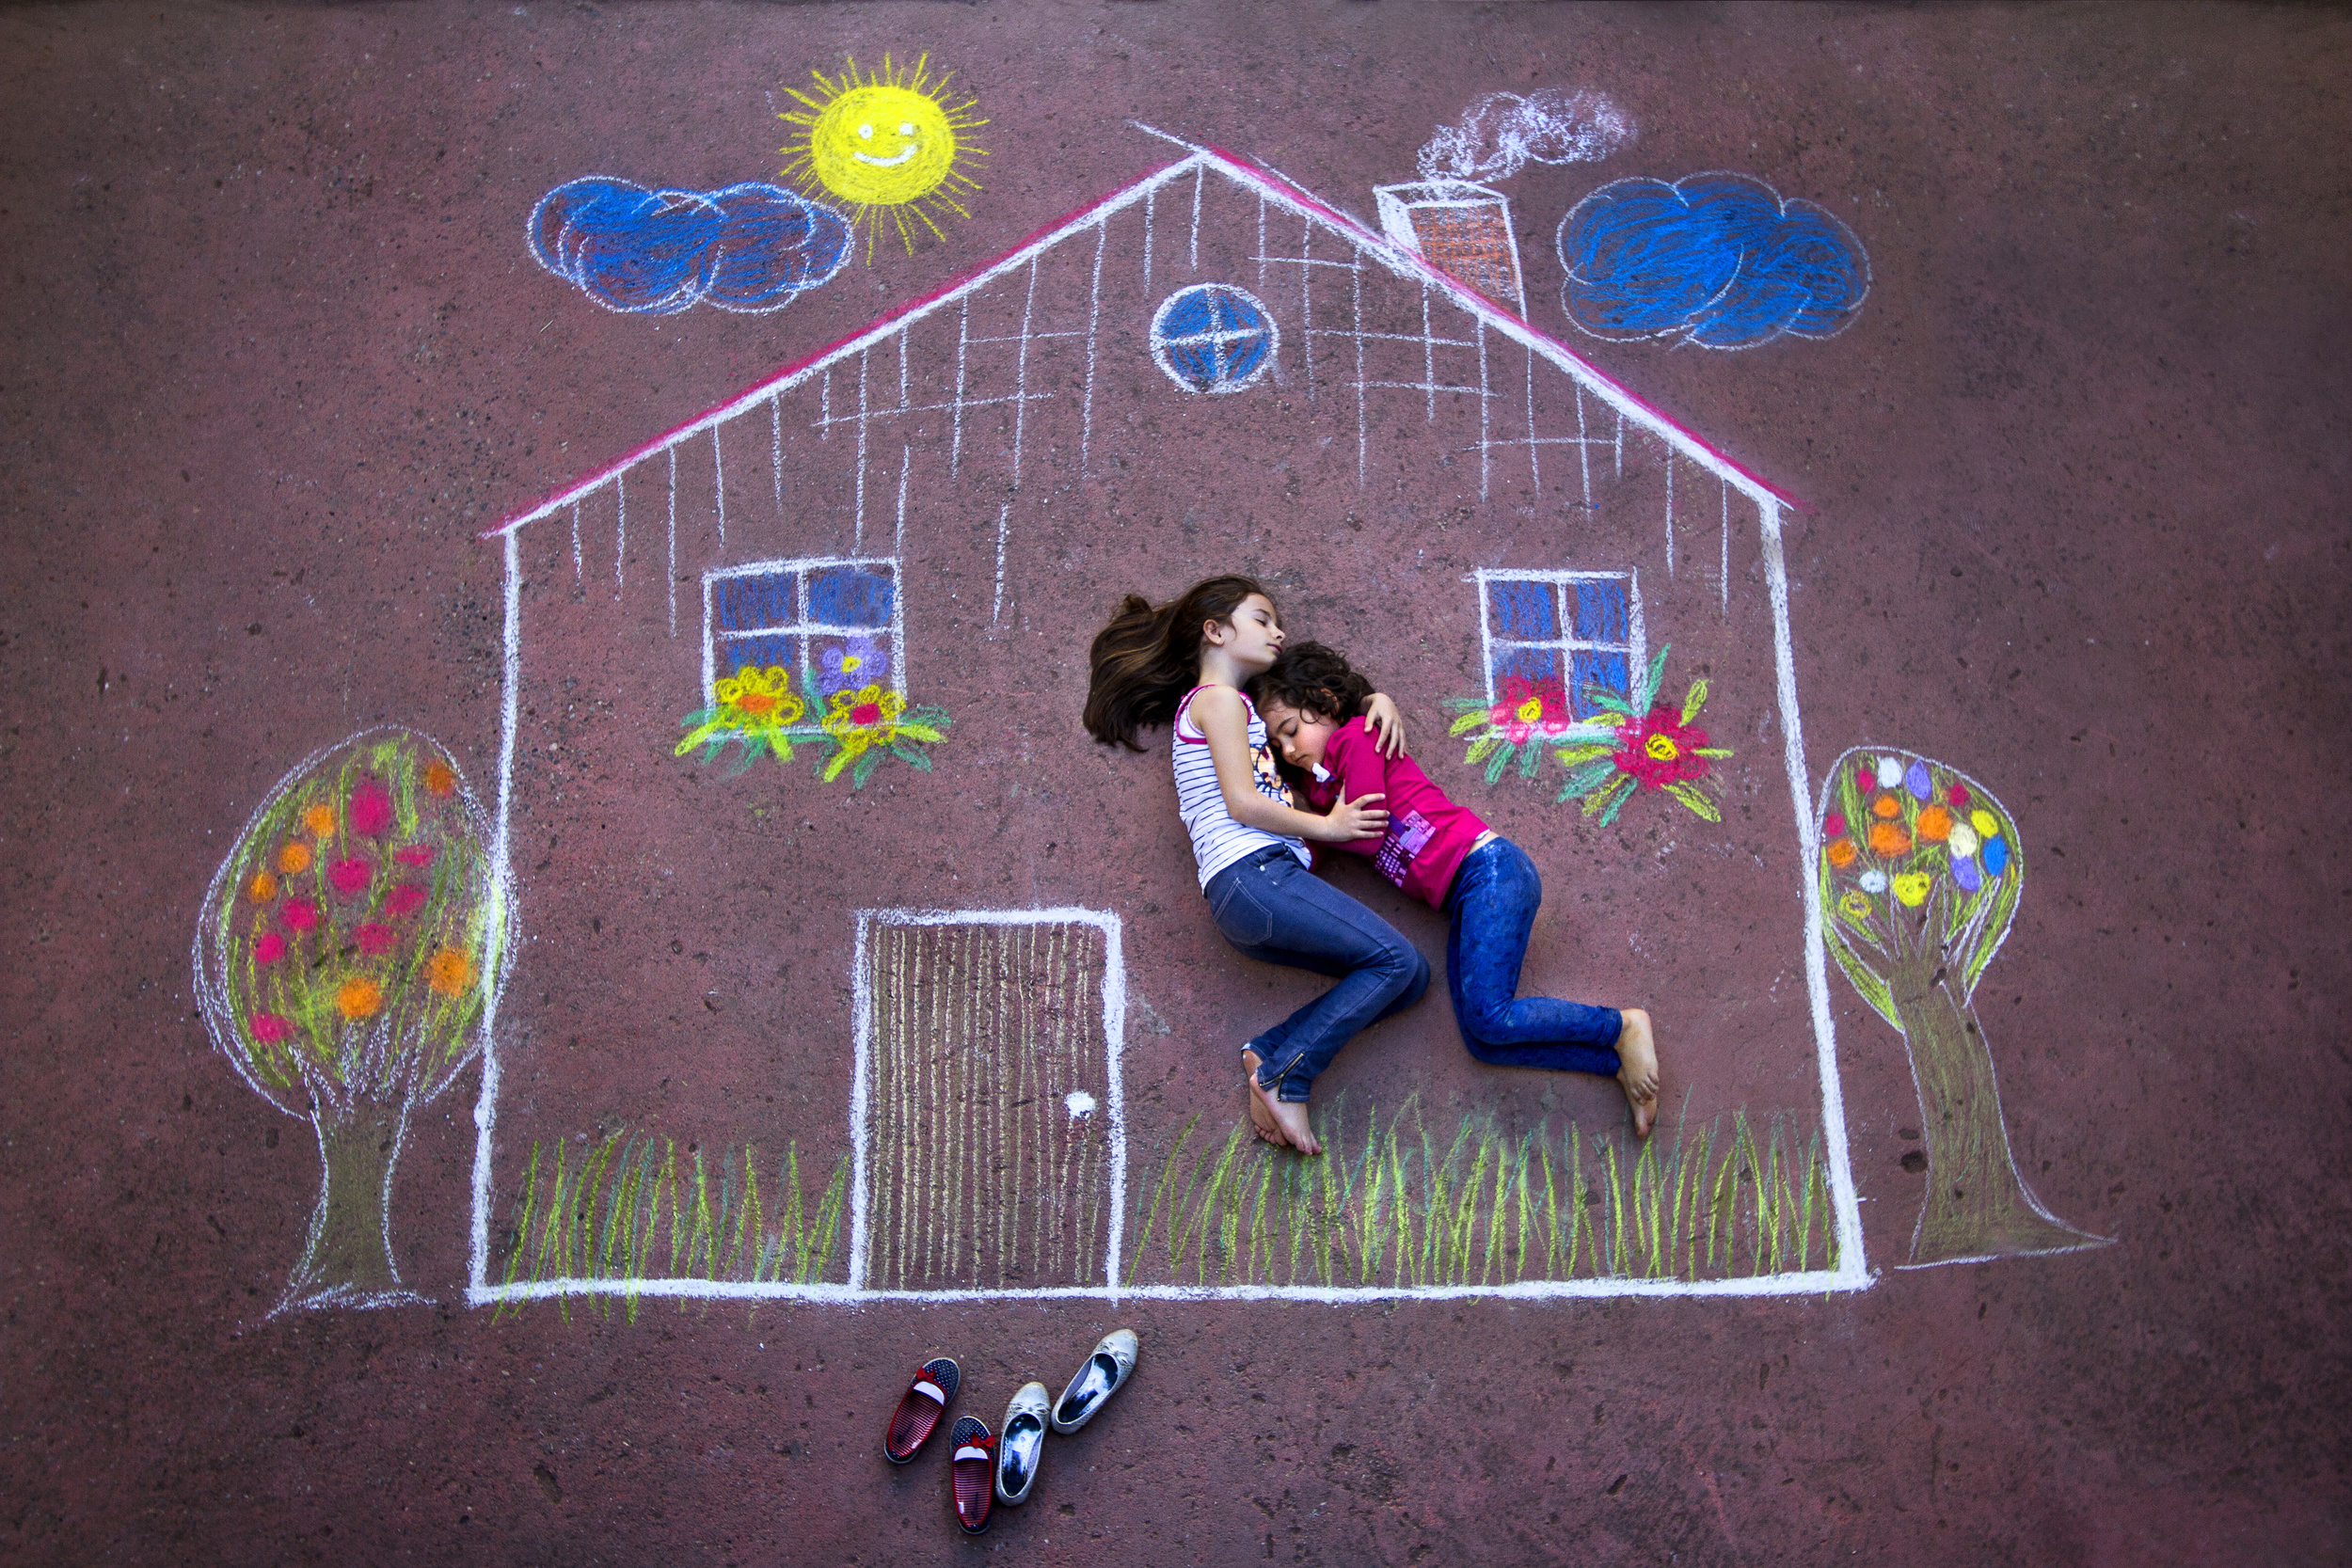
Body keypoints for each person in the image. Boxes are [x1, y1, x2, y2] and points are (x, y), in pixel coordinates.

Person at [1248, 641, 1661, 1137]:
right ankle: (1612, 1063)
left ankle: (1621, 1026)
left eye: (1291, 730)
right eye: (1278, 744)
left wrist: (1322, 817)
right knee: (1483, 1040)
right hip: (1465, 900)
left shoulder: (1356, 737)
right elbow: (1321, 843)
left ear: (1326, 703)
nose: (1289, 749)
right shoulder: (1320, 792)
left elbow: (1366, 829)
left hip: (1489, 870)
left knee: (1491, 1016)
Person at [1084, 577, 1428, 1155]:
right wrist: (1330, 826)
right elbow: (1242, 803)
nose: (1279, 632)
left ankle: (1271, 1051)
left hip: (1252, 898)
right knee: (1394, 961)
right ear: (1215, 632)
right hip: (1254, 876)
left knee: (1409, 979)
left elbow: (1318, 709)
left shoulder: (1240, 708)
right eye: (1263, 619)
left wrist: (1374, 700)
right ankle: (1287, 1075)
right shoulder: (1216, 700)